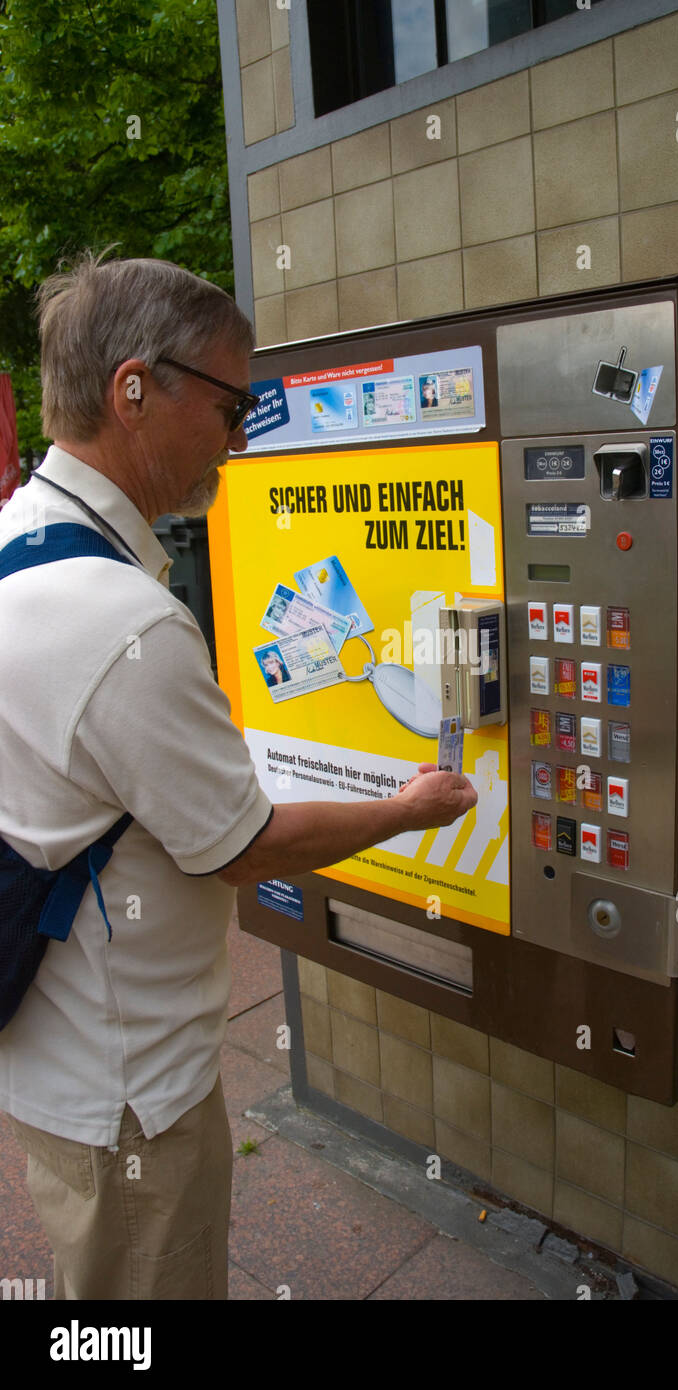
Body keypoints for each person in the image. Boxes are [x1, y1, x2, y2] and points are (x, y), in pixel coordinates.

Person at [0, 251, 477, 1301]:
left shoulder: (19, 543)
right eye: (231, 403)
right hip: (130, 1096)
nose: (239, 432)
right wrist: (407, 808)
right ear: (134, 390)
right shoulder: (121, 623)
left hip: (58, 1057)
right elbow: (246, 847)